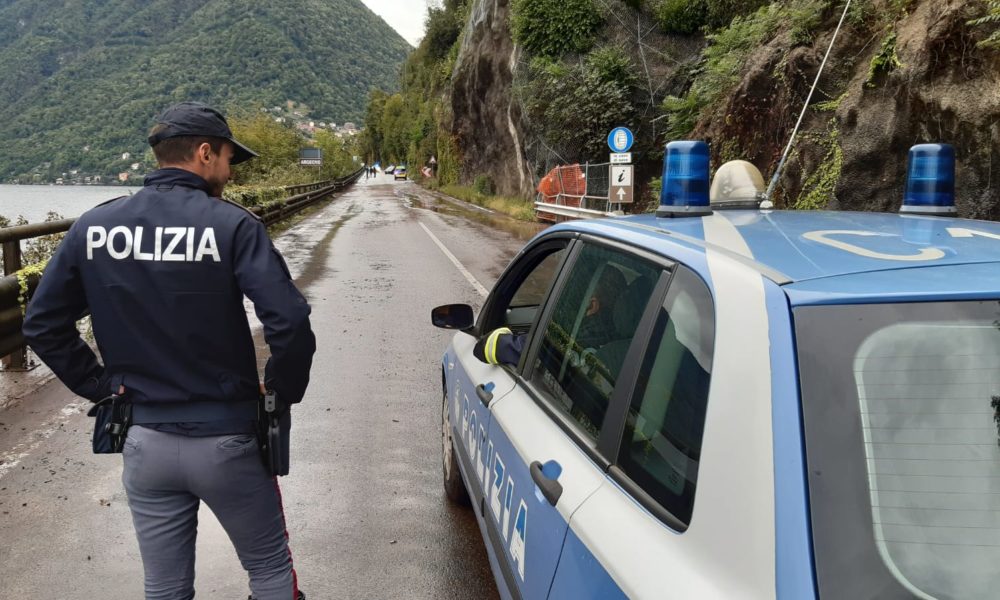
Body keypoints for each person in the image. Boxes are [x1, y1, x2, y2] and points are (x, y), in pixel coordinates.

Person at [22, 101, 316, 600]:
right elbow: (288, 321)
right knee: (268, 569)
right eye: (227, 158)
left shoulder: (94, 227)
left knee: (164, 586)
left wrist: (101, 387)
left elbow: (42, 323)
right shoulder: (233, 226)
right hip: (228, 440)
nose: (228, 171)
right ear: (204, 153)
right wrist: (281, 393)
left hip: (144, 441)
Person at [475, 266, 626, 367]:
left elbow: (490, 347)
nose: (564, 302)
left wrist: (499, 336)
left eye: (573, 295)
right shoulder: (624, 345)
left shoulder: (572, 339)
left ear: (592, 306)